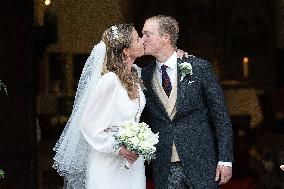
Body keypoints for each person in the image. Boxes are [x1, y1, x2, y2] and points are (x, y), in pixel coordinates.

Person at [141, 15, 233, 189]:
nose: (142, 39)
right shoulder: (144, 75)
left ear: (165, 37)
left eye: (147, 34)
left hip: (201, 163)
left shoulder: (199, 68)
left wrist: (225, 159)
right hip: (164, 165)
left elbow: (220, 116)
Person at [53, 23, 146, 189]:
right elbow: (87, 124)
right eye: (138, 39)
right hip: (110, 162)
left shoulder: (135, 77)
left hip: (134, 163)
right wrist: (119, 148)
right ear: (126, 50)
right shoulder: (109, 81)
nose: (142, 41)